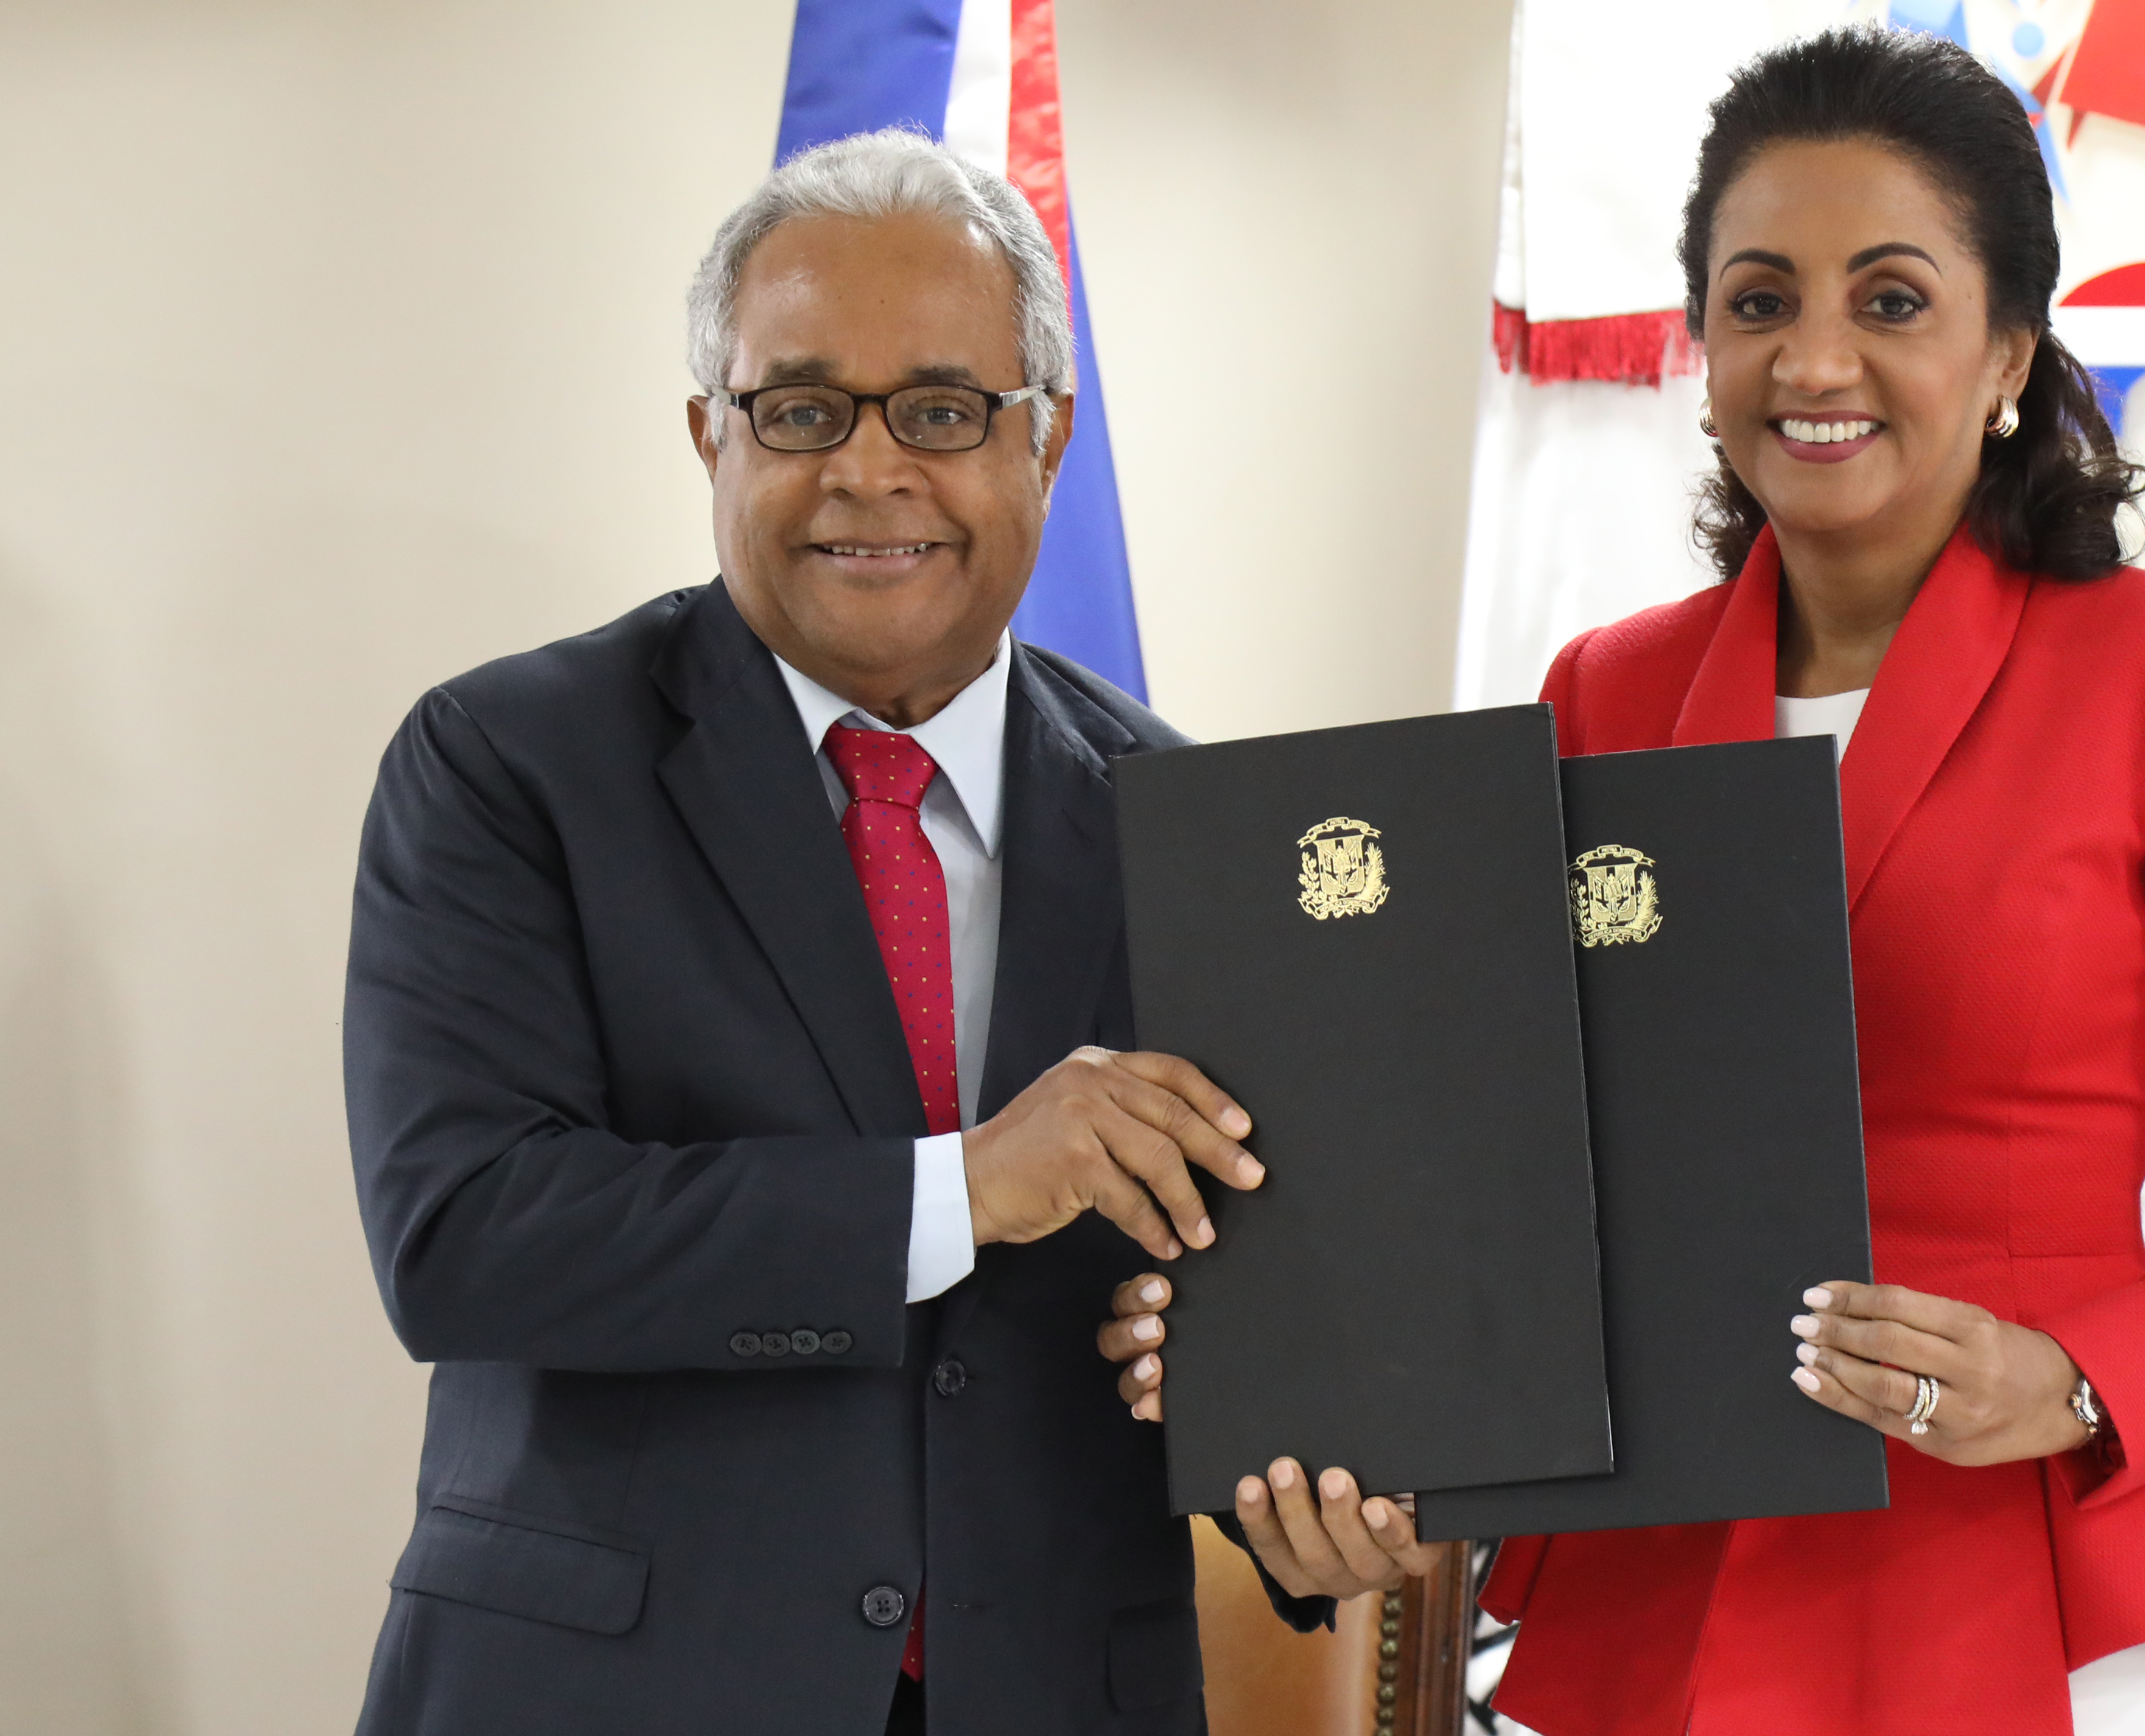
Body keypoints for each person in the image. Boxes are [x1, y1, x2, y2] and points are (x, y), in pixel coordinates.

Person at [1103, 27, 2145, 1736]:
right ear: (1703, 345)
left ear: (2011, 350)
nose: (1814, 357)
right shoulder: (1605, 689)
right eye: (1758, 301)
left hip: (2021, 1574)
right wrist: (1319, 1387)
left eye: (1892, 300)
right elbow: (1506, 1181)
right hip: (1667, 1573)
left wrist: (2075, 1379)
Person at [343, 128, 1428, 1736]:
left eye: (941, 409)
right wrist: (964, 1187)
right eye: (800, 410)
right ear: (709, 435)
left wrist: (1318, 1497)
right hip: (611, 1694)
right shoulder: (508, 764)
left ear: (1047, 440)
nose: (869, 471)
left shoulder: (1194, 824)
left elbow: (1272, 1295)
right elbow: (465, 1240)